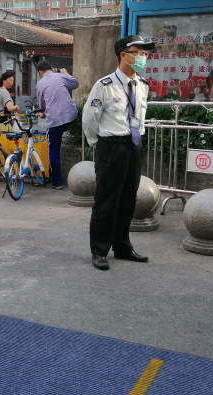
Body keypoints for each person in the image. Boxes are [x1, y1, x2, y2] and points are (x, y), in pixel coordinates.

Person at [82, 35, 152, 271]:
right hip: (111, 146)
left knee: (128, 199)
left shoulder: (142, 85)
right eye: (138, 52)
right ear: (123, 55)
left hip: (133, 145)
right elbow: (89, 119)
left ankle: (122, 246)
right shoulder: (104, 86)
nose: (143, 57)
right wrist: (98, 144)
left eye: (145, 53)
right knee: (106, 201)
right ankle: (99, 250)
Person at [35, 60, 79, 190]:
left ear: (40, 72)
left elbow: (42, 106)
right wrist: (66, 73)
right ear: (51, 68)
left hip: (55, 121)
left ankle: (57, 182)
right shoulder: (60, 76)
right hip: (72, 117)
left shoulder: (40, 84)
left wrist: (43, 114)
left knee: (53, 149)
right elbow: (75, 83)